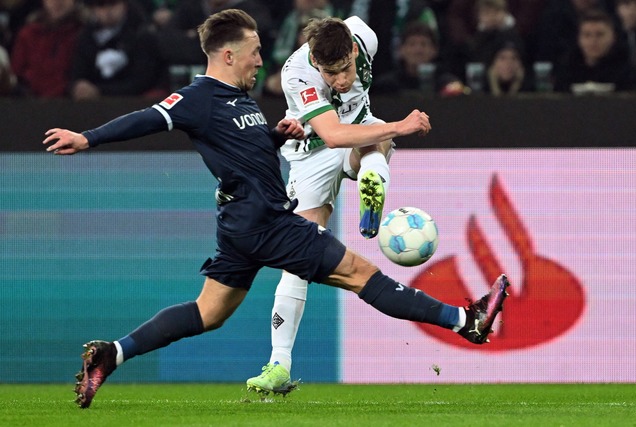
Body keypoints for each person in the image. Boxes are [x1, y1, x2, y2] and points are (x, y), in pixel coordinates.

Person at [43, 9, 510, 409]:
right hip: (266, 220)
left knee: (208, 312)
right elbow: (147, 118)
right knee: (363, 276)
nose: (261, 60)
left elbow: (240, 148)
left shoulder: (235, 99)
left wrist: (276, 136)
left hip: (242, 223)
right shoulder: (197, 97)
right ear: (228, 55)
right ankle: (466, 321)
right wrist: (88, 138)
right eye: (254, 51)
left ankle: (113, 353)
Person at [244, 15, 478, 396]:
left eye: (345, 69)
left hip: (360, 132)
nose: (340, 80)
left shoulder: (365, 36)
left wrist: (385, 130)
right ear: (316, 64)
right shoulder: (296, 72)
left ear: (355, 49)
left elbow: (353, 126)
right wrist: (399, 127)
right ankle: (279, 364)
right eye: (331, 73)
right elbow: (333, 135)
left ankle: (371, 176)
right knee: (298, 257)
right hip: (311, 153)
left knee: (374, 138)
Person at [68, 0, 166, 100]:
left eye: (112, 4)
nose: (107, 11)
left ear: (124, 5)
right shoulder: (86, 37)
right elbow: (78, 72)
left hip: (134, 105)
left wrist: (100, 91)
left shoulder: (143, 35)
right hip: (92, 107)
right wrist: (79, 86)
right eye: (101, 6)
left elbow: (143, 81)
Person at [10, 0, 86, 97]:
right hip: (30, 104)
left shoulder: (84, 34)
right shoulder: (28, 34)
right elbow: (16, 74)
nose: (57, 2)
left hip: (72, 105)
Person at [554, 9, 636, 93]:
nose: (593, 41)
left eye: (599, 34)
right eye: (587, 35)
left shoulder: (626, 71)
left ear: (613, 37)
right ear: (579, 39)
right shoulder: (567, 69)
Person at [372, 21, 464, 96]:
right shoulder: (385, 86)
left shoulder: (447, 84)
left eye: (424, 44)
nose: (418, 50)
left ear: (434, 50)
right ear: (401, 50)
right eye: (412, 44)